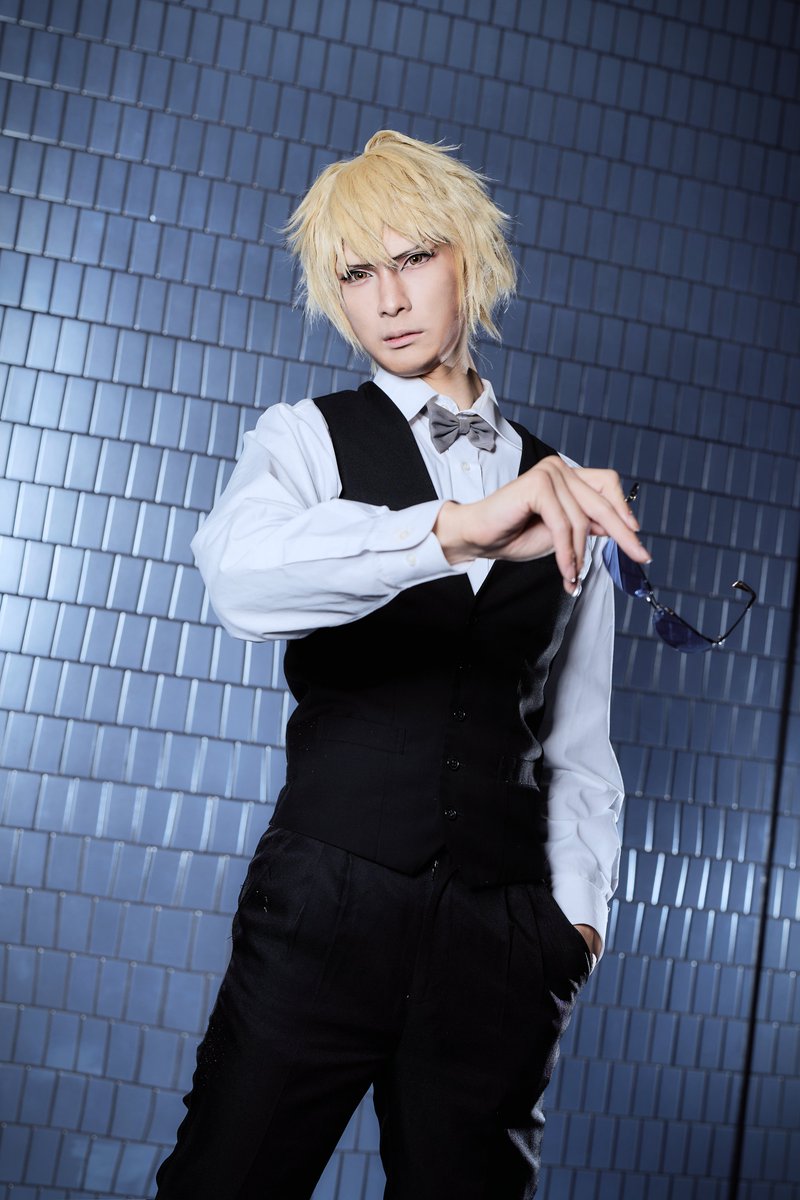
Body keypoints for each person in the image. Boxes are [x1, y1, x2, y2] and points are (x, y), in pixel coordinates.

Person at [154, 130, 650, 1200]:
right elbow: (237, 580)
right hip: (325, 906)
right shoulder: (302, 439)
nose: (387, 299)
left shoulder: (563, 487)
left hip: (499, 939)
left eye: (413, 258)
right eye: (356, 274)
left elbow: (578, 738)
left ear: (472, 256)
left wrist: (572, 927)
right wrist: (455, 530)